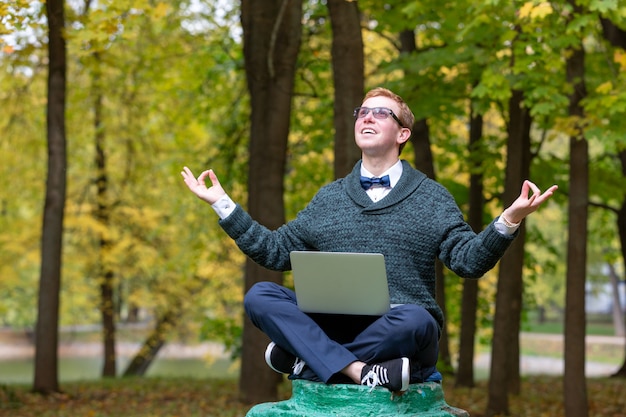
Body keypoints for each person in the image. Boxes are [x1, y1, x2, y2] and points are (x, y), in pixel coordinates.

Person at [181, 87, 557, 394]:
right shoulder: (328, 198)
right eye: (362, 112)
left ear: (403, 134)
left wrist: (509, 219)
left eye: (381, 113)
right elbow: (275, 251)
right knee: (260, 295)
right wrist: (223, 205)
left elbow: (468, 262)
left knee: (417, 318)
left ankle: (305, 360)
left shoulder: (432, 197)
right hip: (333, 325)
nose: (367, 117)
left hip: (399, 333)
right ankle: (361, 371)